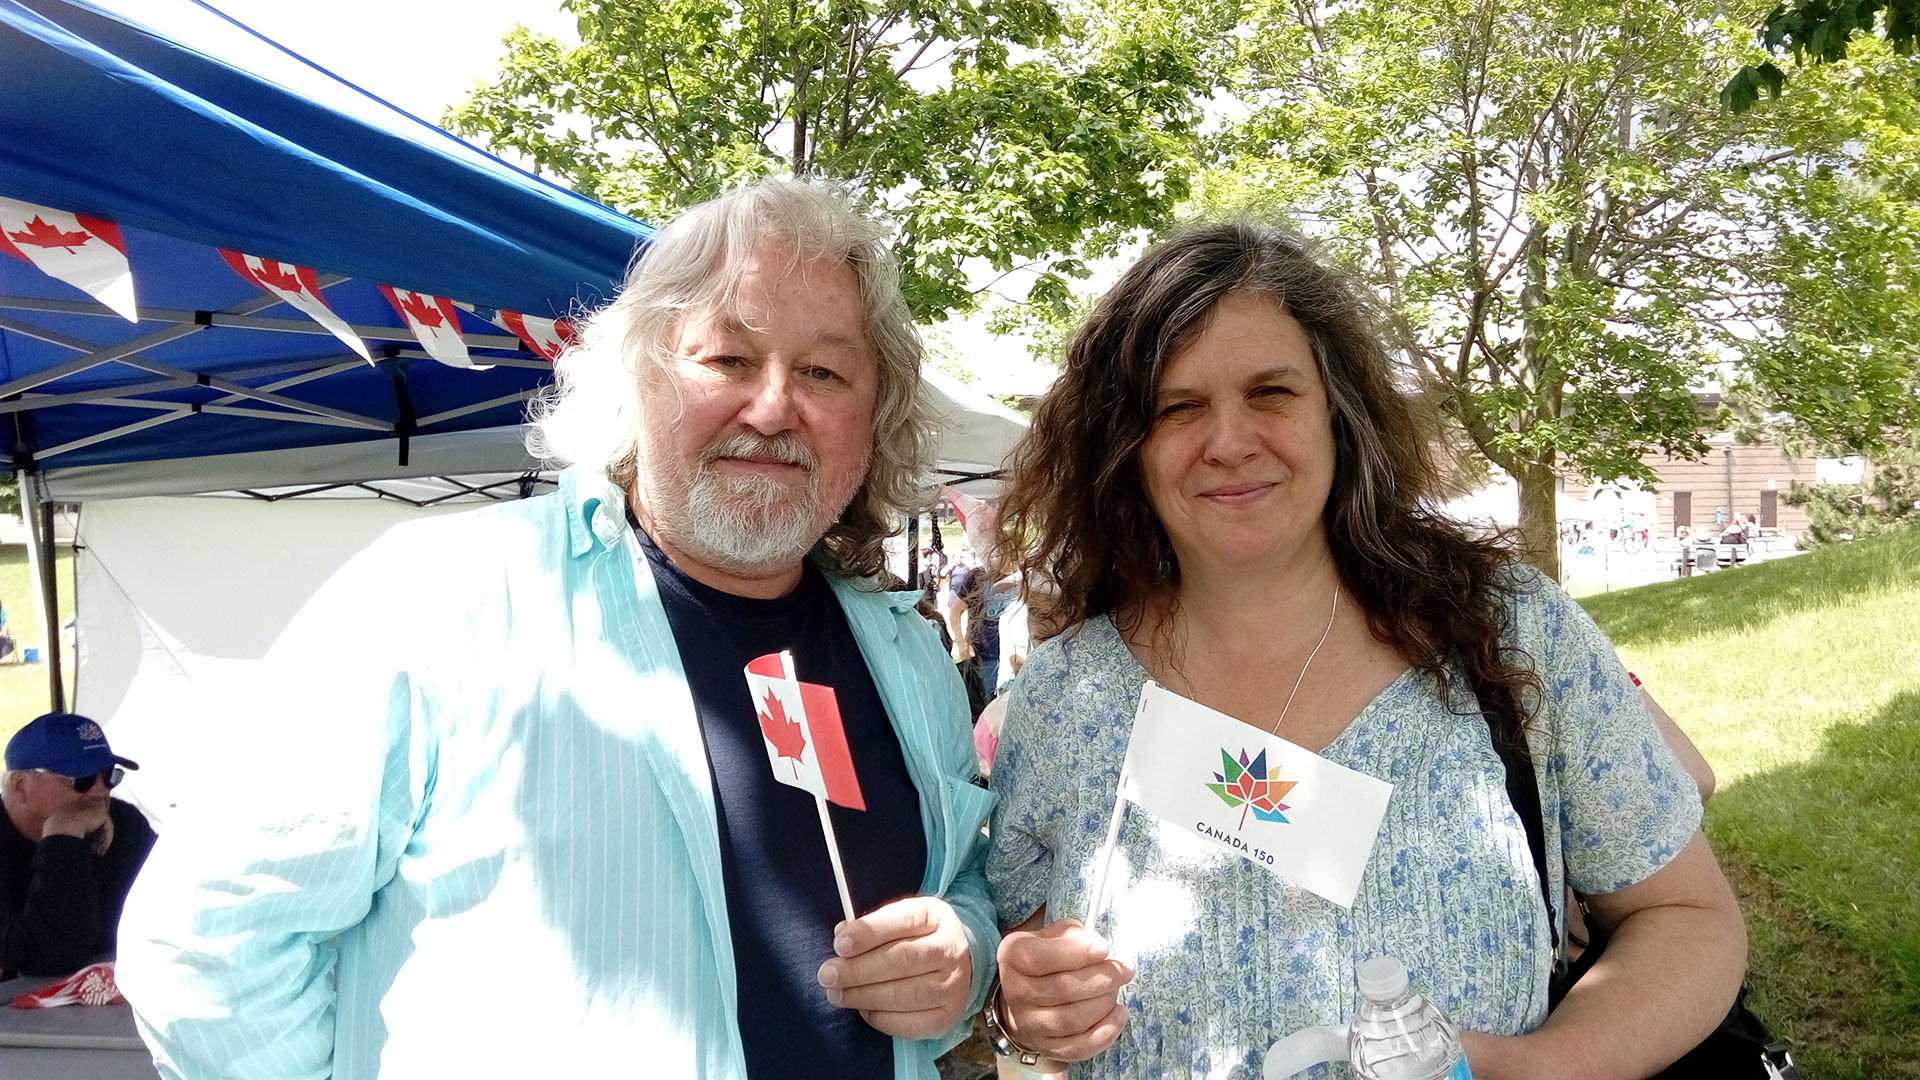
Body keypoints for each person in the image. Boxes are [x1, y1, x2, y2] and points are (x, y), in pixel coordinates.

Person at [118, 181, 996, 1080]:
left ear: (873, 418)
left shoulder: (906, 654)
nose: (773, 407)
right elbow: (210, 945)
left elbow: (966, 878)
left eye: (823, 372)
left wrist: (961, 951)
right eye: (728, 358)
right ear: (638, 382)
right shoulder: (442, 597)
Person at [980, 222, 1745, 1079]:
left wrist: (1543, 1066)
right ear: (1127, 447)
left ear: (1337, 415)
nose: (1229, 441)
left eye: (1271, 392)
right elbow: (1018, 959)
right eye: (1177, 406)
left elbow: (1685, 916)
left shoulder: (1511, 632)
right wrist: (1021, 1007)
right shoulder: (1065, 698)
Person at [1, 711, 155, 979]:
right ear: (21, 785)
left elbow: (169, 916)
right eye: (82, 780)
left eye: (109, 776)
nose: (100, 791)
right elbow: (48, 956)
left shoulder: (125, 824)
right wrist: (64, 836)